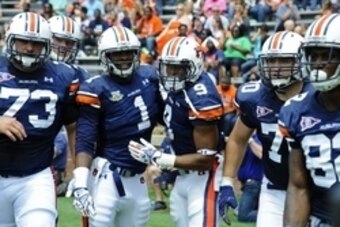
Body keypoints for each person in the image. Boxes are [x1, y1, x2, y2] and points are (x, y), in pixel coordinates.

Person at [218, 31, 313, 227]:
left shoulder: (319, 96)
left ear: (302, 62)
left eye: (283, 61)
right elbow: (237, 139)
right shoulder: (254, 97)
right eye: (271, 61)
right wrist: (227, 181)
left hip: (317, 190)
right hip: (274, 189)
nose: (276, 68)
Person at [72, 25, 164, 227]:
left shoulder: (150, 77)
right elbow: (85, 139)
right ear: (105, 56)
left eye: (128, 52)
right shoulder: (96, 87)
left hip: (139, 177)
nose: (123, 57)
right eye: (117, 53)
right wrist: (80, 183)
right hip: (106, 176)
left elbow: (168, 116)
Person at [128, 36, 224, 227]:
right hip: (183, 176)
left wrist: (160, 158)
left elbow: (205, 160)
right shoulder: (180, 88)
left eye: (179, 68)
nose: (171, 73)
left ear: (195, 66)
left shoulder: (201, 98)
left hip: (204, 177)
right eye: (168, 67)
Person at [0, 12, 80, 226]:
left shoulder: (63, 75)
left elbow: (74, 127)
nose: (29, 48)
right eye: (23, 41)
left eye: (36, 43)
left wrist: (80, 173)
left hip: (35, 176)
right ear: (10, 40)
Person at [279, 13, 340, 227]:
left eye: (327, 56)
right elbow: (298, 186)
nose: (318, 64)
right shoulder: (295, 111)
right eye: (313, 56)